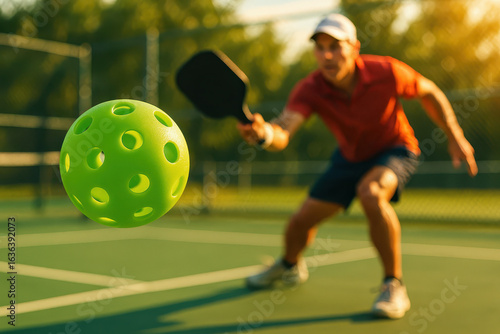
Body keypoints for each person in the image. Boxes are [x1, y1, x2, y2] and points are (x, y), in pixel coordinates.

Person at [237, 13, 478, 319]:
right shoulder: (309, 88)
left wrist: (454, 135)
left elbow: (429, 91)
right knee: (300, 222)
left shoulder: (386, 71)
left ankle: (394, 285)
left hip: (395, 149)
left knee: (372, 192)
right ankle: (289, 266)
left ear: (354, 47)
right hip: (349, 157)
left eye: (335, 47)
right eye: (320, 48)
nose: (326, 55)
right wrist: (263, 135)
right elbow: (284, 129)